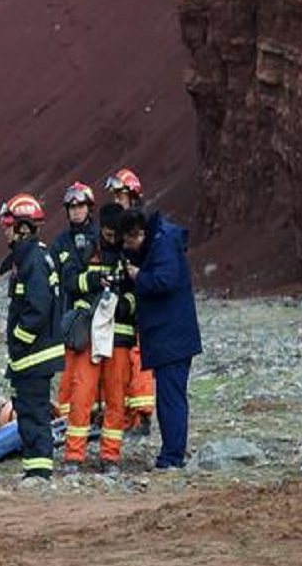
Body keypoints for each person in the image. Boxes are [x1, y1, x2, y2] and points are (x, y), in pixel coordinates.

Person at [118, 206, 202, 470]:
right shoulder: (158, 241)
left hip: (172, 338)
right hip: (169, 336)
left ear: (138, 234)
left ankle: (172, 457)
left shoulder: (163, 243)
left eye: (128, 240)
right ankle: (171, 453)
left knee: (171, 399)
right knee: (170, 398)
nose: (127, 246)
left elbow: (164, 280)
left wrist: (138, 275)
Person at [61, 201, 136, 472]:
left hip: (119, 336)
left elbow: (138, 291)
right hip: (89, 335)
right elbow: (68, 280)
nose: (112, 239)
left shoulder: (130, 253)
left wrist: (125, 304)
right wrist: (93, 283)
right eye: (107, 233)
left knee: (116, 398)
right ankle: (73, 456)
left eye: (116, 234)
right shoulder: (86, 248)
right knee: (81, 395)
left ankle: (110, 457)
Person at [0, 194, 64, 479]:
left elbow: (38, 307)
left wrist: (18, 339)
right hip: (30, 356)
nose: (5, 231)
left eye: (8, 225)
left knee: (35, 412)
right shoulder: (28, 258)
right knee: (27, 410)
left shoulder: (33, 260)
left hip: (35, 354)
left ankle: (40, 471)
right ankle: (34, 468)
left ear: (23, 228)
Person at [105, 168, 156, 436]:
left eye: (120, 194)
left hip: (141, 301)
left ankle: (144, 416)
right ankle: (128, 415)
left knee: (139, 359)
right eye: (114, 195)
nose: (116, 199)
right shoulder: (119, 223)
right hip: (126, 299)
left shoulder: (140, 226)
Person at [50, 182, 97, 429]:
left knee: (96, 373)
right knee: (68, 376)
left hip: (99, 317)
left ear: (89, 208)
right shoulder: (60, 244)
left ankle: (95, 417)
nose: (76, 211)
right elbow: (57, 283)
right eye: (72, 207)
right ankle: (67, 420)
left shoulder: (101, 238)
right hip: (70, 321)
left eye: (80, 206)